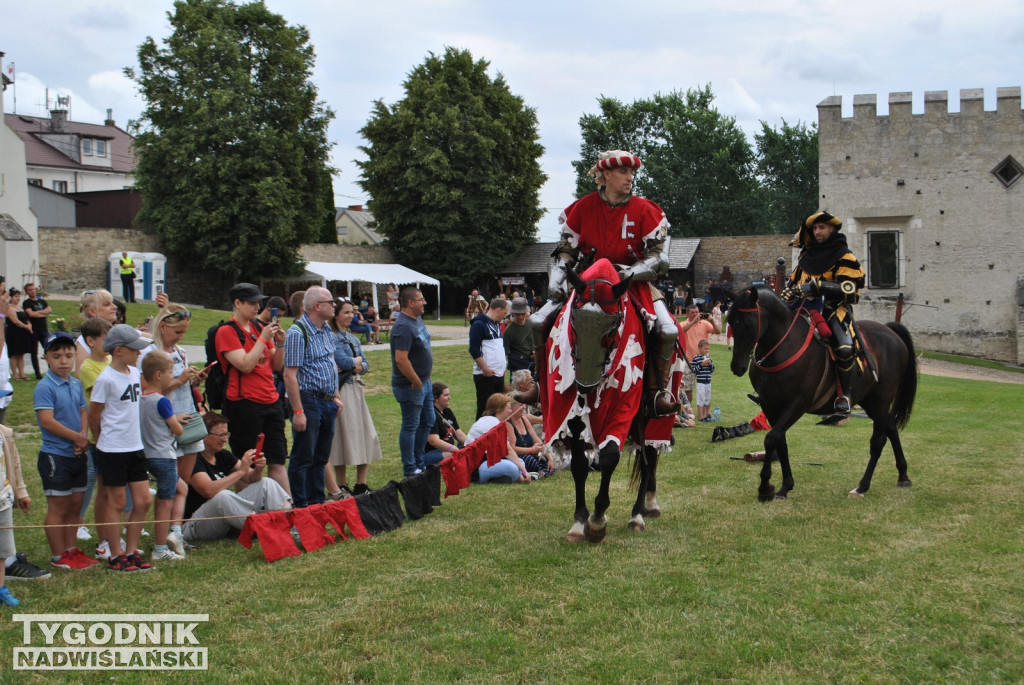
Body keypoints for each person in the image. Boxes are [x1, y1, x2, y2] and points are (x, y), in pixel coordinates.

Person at [529, 149, 681, 417]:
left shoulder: (647, 210)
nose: (630, 177)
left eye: (632, 172)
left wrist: (626, 275)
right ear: (606, 174)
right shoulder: (582, 208)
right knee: (539, 321)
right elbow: (565, 254)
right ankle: (539, 388)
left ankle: (657, 394)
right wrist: (557, 282)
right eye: (623, 171)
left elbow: (660, 259)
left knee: (668, 331)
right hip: (586, 284)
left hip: (632, 283)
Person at [781, 211, 866, 414]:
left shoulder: (845, 256)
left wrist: (818, 286)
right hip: (802, 308)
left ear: (832, 229)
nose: (817, 232)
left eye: (822, 227)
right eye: (815, 228)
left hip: (833, 309)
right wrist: (789, 290)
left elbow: (851, 290)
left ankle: (844, 395)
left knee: (844, 348)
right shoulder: (806, 255)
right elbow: (796, 282)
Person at [87, 324, 153, 572]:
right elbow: (95, 415)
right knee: (116, 502)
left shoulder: (134, 373)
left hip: (135, 446)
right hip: (113, 449)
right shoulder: (105, 379)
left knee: (143, 500)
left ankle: (131, 549)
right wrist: (101, 439)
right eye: (134, 349)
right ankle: (116, 554)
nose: (138, 354)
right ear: (118, 350)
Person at [215, 283, 290, 496]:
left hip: (270, 401)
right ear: (237, 303)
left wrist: (281, 344)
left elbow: (276, 365)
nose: (257, 307)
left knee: (277, 460)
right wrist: (264, 339)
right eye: (252, 303)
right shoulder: (227, 332)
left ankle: (287, 512)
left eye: (259, 302)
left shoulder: (258, 327)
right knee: (245, 462)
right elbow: (245, 365)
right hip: (244, 405)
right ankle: (247, 516)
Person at [33, 332, 98, 571]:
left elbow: (83, 410)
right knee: (58, 506)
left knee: (75, 505)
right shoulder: (45, 387)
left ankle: (71, 550)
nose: (63, 361)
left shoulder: (76, 383)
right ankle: (58, 555)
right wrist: (76, 438)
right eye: (57, 356)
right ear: (46, 358)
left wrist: (82, 434)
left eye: (68, 355)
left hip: (77, 453)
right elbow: (48, 421)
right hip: (55, 455)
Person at [183, 412, 291, 541]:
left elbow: (251, 478)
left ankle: (286, 523)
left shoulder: (222, 455)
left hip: (222, 520)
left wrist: (258, 469)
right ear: (204, 436)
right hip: (195, 524)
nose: (224, 439)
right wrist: (240, 471)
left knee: (267, 482)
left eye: (226, 434)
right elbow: (208, 491)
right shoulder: (193, 458)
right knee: (223, 496)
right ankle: (267, 529)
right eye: (220, 435)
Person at [283, 287, 341, 508]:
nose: (334, 305)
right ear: (317, 306)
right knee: (303, 456)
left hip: (326, 401)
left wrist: (335, 396)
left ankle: (317, 503)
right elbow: (289, 376)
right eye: (331, 302)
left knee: (320, 456)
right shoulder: (297, 333)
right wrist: (298, 411)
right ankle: (301, 506)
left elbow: (329, 364)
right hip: (308, 400)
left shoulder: (326, 329)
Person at [328, 298, 382, 497]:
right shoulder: (331, 337)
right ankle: (341, 484)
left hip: (357, 389)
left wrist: (356, 363)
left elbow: (364, 365)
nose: (351, 316)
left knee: (367, 434)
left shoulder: (353, 339)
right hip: (342, 389)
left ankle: (361, 483)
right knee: (342, 436)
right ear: (336, 315)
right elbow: (343, 361)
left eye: (352, 312)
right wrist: (355, 362)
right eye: (346, 312)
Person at [139, 350, 189, 561]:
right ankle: (160, 549)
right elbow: (176, 429)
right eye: (170, 372)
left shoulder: (141, 398)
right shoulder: (162, 401)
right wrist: (178, 425)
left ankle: (175, 532)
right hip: (165, 455)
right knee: (164, 502)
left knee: (181, 487)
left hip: (148, 454)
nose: (172, 376)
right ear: (158, 375)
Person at [73, 317, 111, 542]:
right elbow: (103, 397)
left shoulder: (109, 361)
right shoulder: (88, 367)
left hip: (112, 434)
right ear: (91, 341)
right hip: (99, 436)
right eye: (106, 338)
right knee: (97, 487)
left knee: (109, 489)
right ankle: (85, 527)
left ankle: (108, 534)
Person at [390, 287, 433, 477]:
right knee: (410, 425)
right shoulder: (403, 327)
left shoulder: (417, 321)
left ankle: (419, 460)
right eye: (421, 300)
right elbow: (400, 359)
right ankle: (410, 467)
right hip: (411, 386)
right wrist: (415, 380)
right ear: (410, 303)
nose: (424, 302)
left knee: (428, 420)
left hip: (425, 383)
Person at [465, 393, 531, 484]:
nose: (511, 411)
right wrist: (524, 471)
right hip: (476, 468)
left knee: (520, 462)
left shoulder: (492, 421)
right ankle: (516, 476)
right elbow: (508, 450)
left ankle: (498, 479)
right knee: (514, 468)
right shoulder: (493, 423)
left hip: (486, 462)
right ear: (499, 409)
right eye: (508, 408)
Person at [0, 423, 33, 605]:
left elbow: (14, 462)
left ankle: (0, 588)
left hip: (2, 499)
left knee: (3, 549)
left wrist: (21, 491)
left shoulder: (3, 432)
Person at [469, 297, 509, 419]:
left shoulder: (497, 325)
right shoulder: (479, 324)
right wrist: (484, 368)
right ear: (498, 309)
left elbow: (498, 348)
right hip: (486, 375)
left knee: (499, 408)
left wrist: (503, 367)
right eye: (505, 313)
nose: (505, 316)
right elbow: (474, 349)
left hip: (498, 374)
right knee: (485, 408)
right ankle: (481, 435)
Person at [680, 305, 721, 404]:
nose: (695, 314)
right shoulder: (683, 324)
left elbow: (718, 331)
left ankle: (704, 410)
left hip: (703, 361)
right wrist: (693, 322)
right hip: (688, 361)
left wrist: (712, 321)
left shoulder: (705, 323)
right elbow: (680, 331)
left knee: (705, 385)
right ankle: (688, 408)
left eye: (696, 312)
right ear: (687, 314)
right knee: (688, 388)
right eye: (692, 312)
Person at [422, 382, 468, 466]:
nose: (449, 397)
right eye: (446, 395)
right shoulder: (430, 415)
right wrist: (452, 448)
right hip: (431, 453)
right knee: (454, 455)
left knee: (467, 449)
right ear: (436, 398)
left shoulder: (447, 411)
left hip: (448, 450)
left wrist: (472, 444)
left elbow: (459, 434)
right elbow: (433, 441)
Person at [75, 289, 118, 371]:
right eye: (107, 304)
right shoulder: (84, 341)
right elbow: (80, 374)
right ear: (92, 311)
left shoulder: (116, 332)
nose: (115, 307)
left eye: (113, 303)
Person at [508, 397, 553, 476]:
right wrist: (531, 450)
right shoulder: (508, 423)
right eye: (521, 405)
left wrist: (550, 458)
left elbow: (537, 440)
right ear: (512, 407)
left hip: (531, 453)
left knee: (544, 459)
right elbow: (512, 448)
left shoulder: (523, 419)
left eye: (524, 404)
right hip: (518, 456)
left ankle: (540, 472)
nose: (524, 407)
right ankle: (538, 472)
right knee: (530, 460)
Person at [23, 283, 50, 380]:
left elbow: (49, 310)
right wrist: (43, 313)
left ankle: (51, 370)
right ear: (26, 292)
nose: (32, 291)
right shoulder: (26, 303)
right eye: (30, 290)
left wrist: (37, 313)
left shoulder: (42, 301)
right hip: (33, 331)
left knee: (49, 350)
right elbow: (31, 314)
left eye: (33, 289)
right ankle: (38, 373)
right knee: (34, 352)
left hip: (44, 330)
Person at [5, 289, 34, 380]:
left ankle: (22, 373)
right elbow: (16, 321)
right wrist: (26, 326)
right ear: (11, 297)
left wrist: (29, 325)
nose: (18, 298)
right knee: (14, 354)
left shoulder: (20, 307)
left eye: (19, 296)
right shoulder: (9, 308)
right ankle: (15, 374)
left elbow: (26, 318)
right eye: (16, 296)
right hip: (14, 333)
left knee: (21, 354)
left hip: (23, 333)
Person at [503, 297, 533, 382]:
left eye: (522, 313)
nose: (520, 317)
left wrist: (534, 352)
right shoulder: (508, 330)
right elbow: (505, 352)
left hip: (532, 363)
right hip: (517, 366)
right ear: (513, 313)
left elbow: (535, 342)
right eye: (517, 314)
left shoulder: (531, 323)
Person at [690, 340, 716, 422]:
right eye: (705, 349)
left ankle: (706, 414)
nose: (707, 350)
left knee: (707, 399)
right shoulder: (696, 358)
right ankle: (701, 416)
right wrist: (701, 365)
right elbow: (694, 370)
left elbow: (712, 370)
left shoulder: (709, 358)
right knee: (701, 399)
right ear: (699, 349)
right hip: (701, 383)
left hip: (708, 382)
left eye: (708, 349)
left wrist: (710, 364)